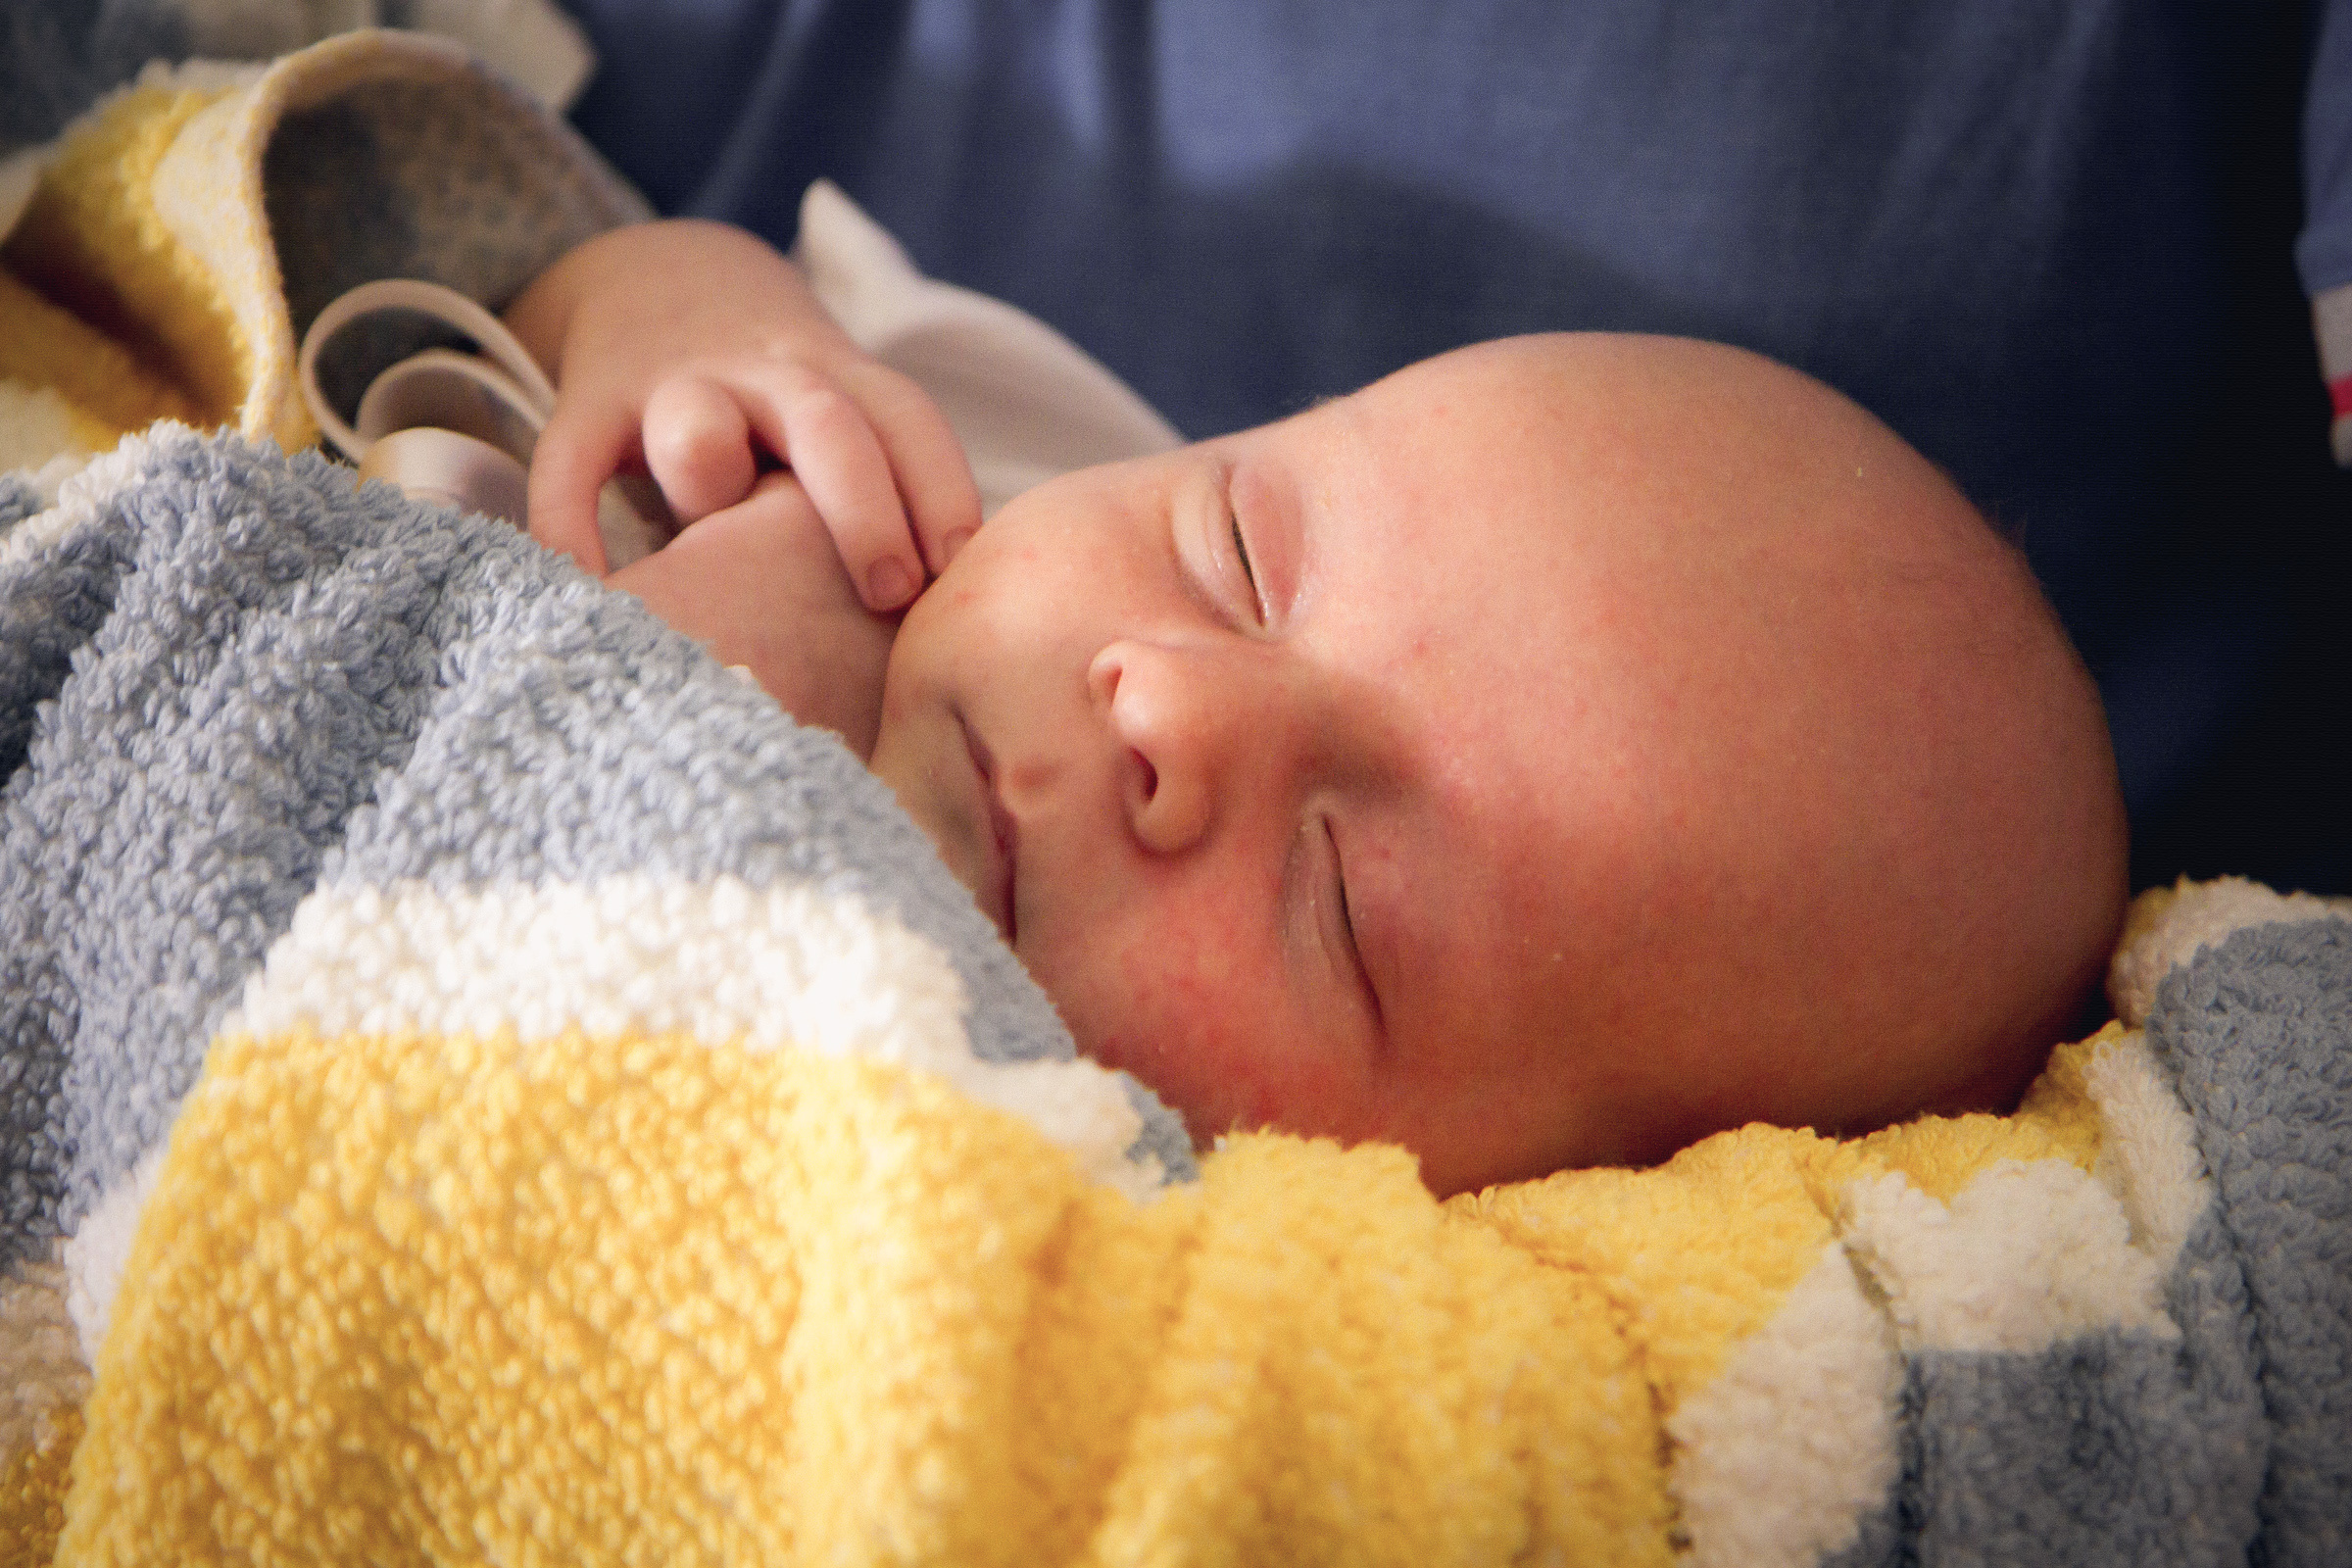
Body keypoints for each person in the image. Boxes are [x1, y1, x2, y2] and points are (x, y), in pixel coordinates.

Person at [501, 217, 2128, 1198]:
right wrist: (681, 327)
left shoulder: (1088, 1276)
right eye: (1237, 550)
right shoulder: (934, 459)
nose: (1172, 708)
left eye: (1347, 906)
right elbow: (517, 243)